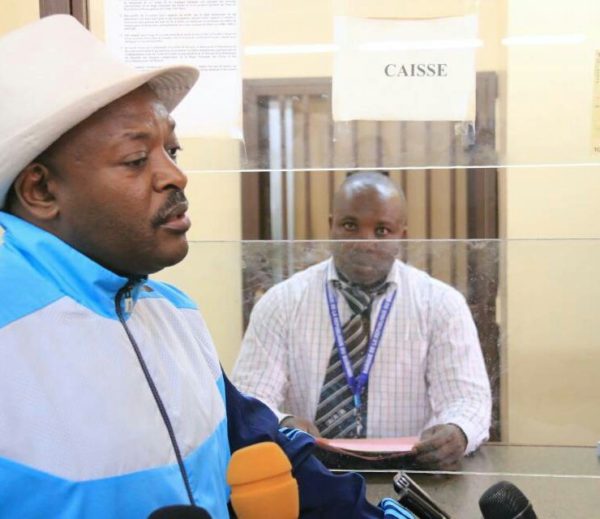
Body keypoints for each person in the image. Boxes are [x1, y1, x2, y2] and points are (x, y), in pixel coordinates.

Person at [0, 15, 408, 519]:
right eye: (135, 159)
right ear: (41, 190)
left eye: (171, 149)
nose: (175, 174)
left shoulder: (169, 314)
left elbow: (268, 449)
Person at [232, 171, 492, 470]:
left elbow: (469, 400)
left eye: (382, 230)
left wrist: (458, 431)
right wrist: (283, 423)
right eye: (350, 225)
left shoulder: (442, 305)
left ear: (402, 236)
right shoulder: (280, 303)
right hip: (309, 474)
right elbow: (248, 401)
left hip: (412, 477)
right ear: (330, 226)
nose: (365, 242)